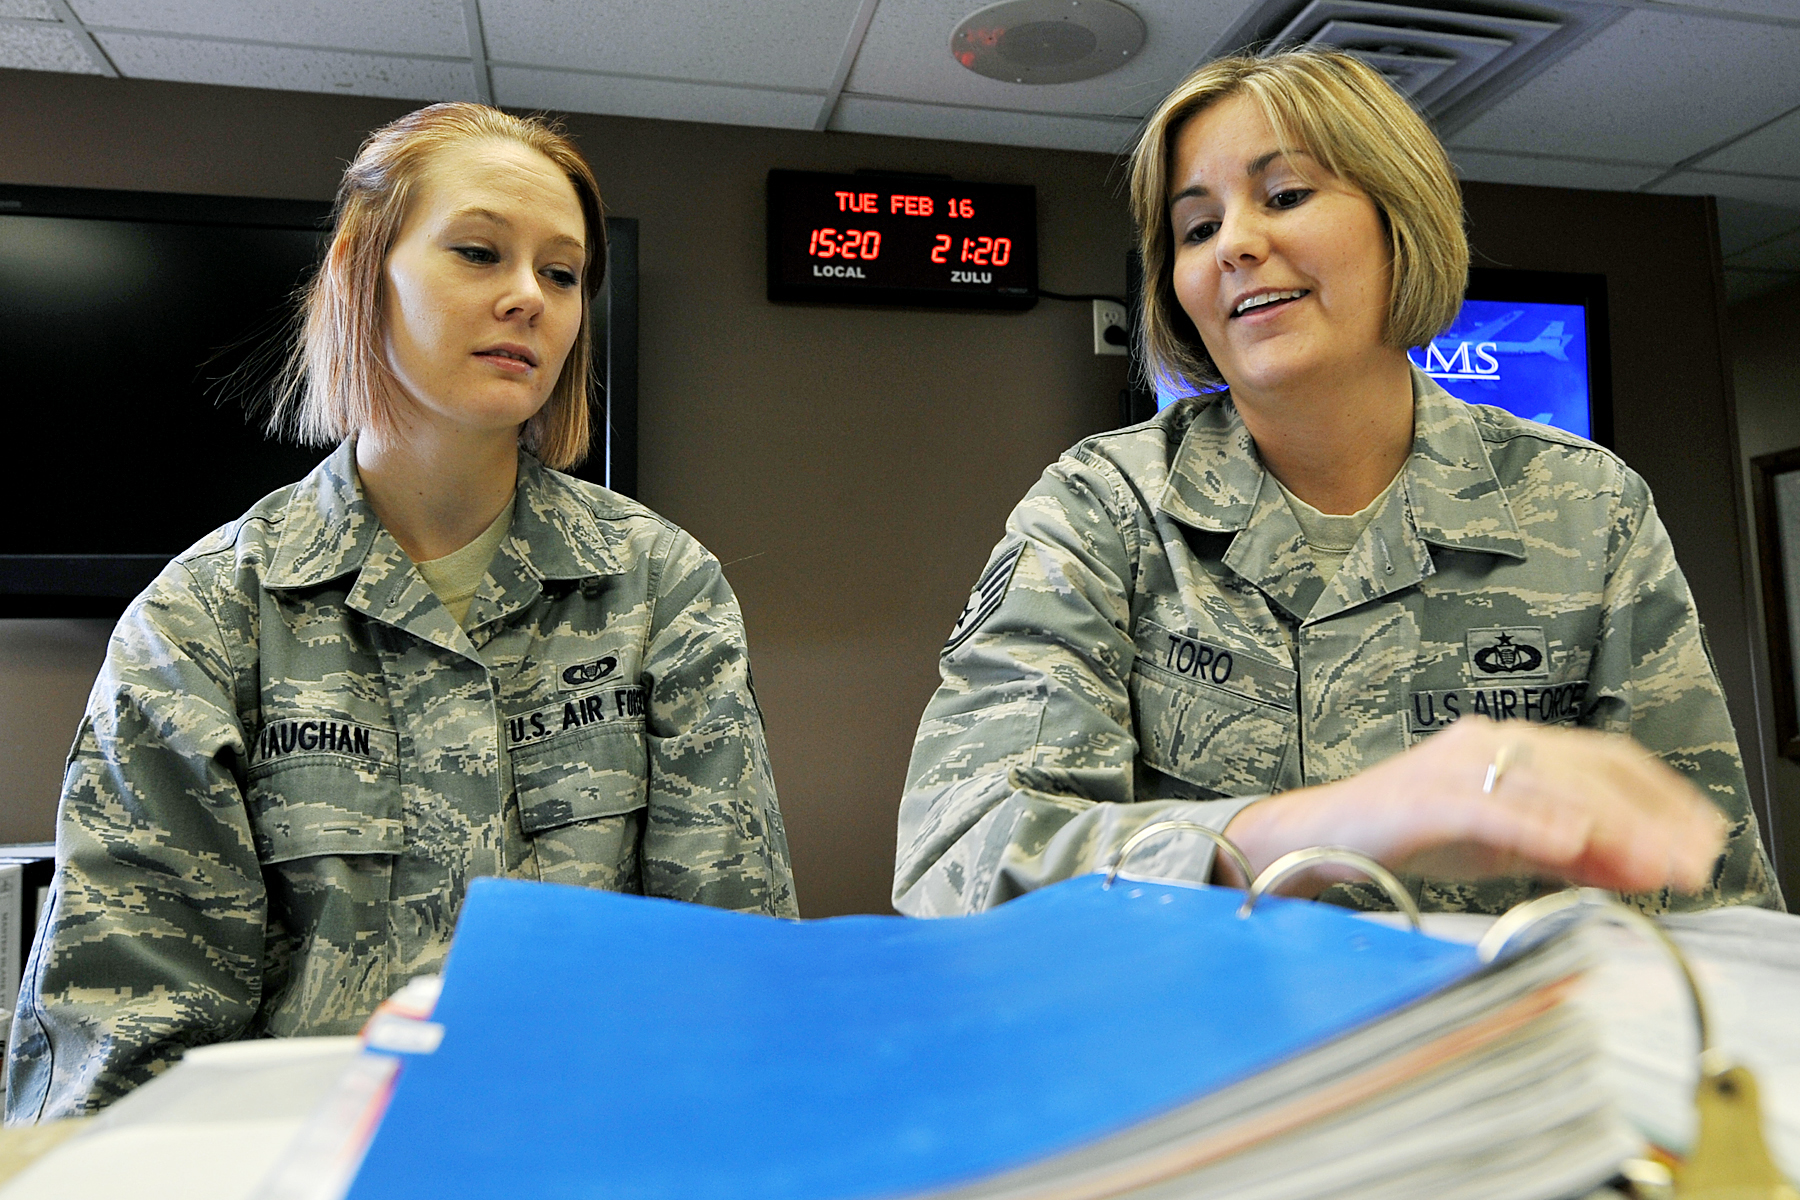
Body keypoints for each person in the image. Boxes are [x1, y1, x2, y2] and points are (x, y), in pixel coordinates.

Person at [7, 104, 795, 1122]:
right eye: (479, 252)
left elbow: (732, 975)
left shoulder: (660, 588)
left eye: (562, 275)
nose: (529, 297)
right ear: (361, 272)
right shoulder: (204, 621)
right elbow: (122, 1057)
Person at [894, 49, 1780, 919]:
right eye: (1197, 228)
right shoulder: (1103, 510)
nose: (1236, 243)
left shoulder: (1592, 511)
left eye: (1285, 196)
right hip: (1200, 1053)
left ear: (1403, 219)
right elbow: (962, 853)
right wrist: (1332, 826)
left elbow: (1708, 893)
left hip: (1491, 1050)